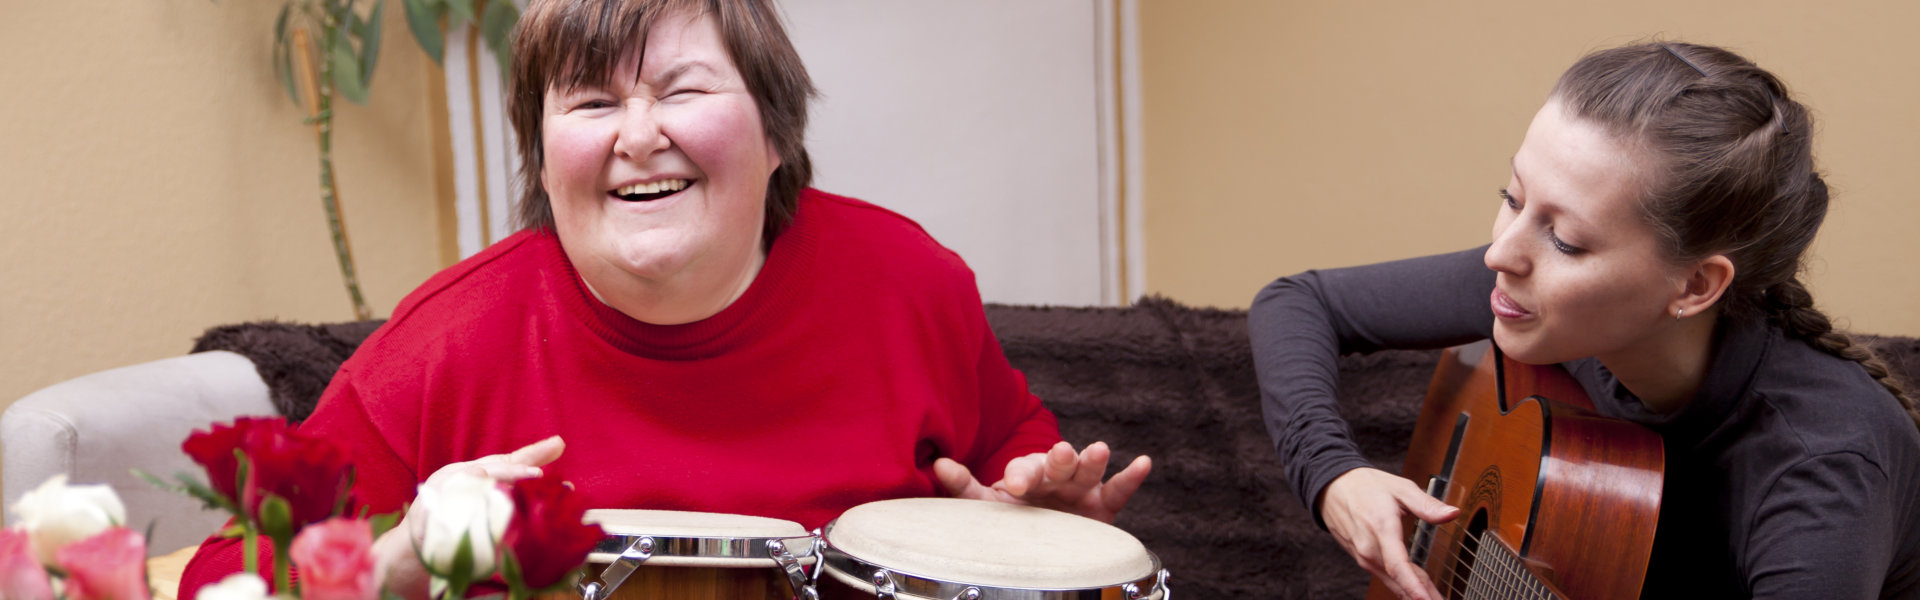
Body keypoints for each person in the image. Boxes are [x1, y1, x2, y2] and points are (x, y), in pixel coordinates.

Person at [178, 0, 1151, 597]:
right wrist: (400, 562)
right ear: (545, 160)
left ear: (775, 137)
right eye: (592, 103)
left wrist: (1040, 513)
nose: (637, 134)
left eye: (682, 90)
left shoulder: (912, 283)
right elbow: (223, 580)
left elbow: (1014, 456)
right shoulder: (444, 344)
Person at [1250, 41, 1920, 599]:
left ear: (1694, 285)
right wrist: (1334, 476)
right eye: (1511, 199)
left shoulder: (1825, 473)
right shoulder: (1540, 298)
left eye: (1565, 241)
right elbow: (1298, 302)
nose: (1500, 254)